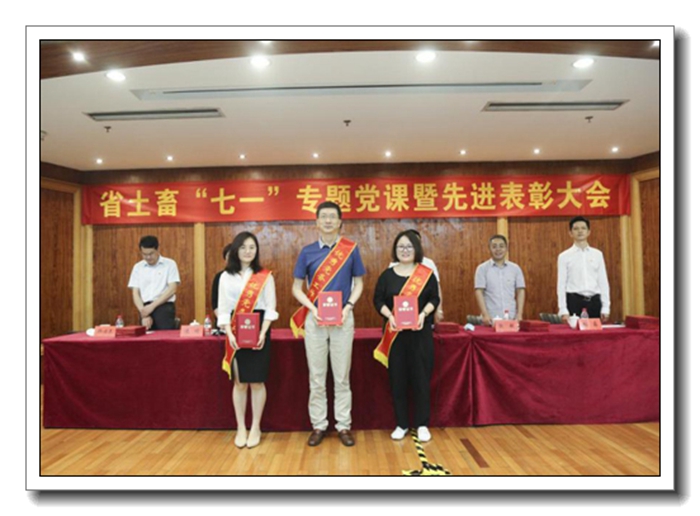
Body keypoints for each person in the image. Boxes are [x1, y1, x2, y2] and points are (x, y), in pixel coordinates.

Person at [291, 201, 365, 447]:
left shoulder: (350, 249)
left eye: (333, 216)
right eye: (324, 216)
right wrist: (313, 309)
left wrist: (348, 307)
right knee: (317, 376)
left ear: (340, 221)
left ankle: (343, 425)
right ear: (317, 222)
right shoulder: (307, 252)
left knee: (342, 376)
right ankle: (319, 425)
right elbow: (296, 288)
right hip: (315, 319)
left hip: (343, 318)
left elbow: (359, 283)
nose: (328, 220)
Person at [374, 230, 440, 442]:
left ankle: (422, 424)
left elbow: (434, 299)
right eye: (400, 247)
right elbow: (378, 300)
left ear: (416, 249)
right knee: (398, 380)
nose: (404, 250)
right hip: (395, 335)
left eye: (409, 247)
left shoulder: (426, 274)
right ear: (395, 250)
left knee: (421, 379)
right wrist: (389, 316)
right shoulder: (387, 275)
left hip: (420, 335)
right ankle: (401, 424)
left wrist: (423, 314)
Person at [218, 232, 278, 449]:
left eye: (252, 247)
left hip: (259, 328)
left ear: (257, 250)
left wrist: (263, 333)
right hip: (235, 330)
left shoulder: (265, 276)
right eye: (243, 247)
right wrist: (230, 334)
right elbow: (223, 309)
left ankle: (255, 427)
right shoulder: (225, 276)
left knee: (257, 381)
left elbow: (270, 307)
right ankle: (241, 427)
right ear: (236, 250)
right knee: (240, 382)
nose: (248, 251)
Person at [557, 216, 610, 322]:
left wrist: (605, 307)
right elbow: (561, 284)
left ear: (588, 232)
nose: (580, 231)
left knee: (595, 332)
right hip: (574, 301)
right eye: (576, 229)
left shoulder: (597, 254)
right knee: (574, 332)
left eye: (583, 228)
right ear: (570, 233)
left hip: (594, 301)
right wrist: (563, 309)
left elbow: (603, 282)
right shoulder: (564, 256)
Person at [388, 229, 445, 322]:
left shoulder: (428, 263)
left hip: (424, 312)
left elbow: (436, 289)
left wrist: (439, 309)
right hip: (399, 314)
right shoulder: (393, 266)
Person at [128, 235, 180, 330]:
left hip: (164, 308)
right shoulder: (138, 267)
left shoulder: (170, 264)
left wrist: (152, 306)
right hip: (144, 308)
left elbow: (172, 289)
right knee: (145, 338)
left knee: (164, 337)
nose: (148, 257)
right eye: (144, 254)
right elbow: (135, 293)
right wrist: (144, 313)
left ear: (157, 249)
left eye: (151, 253)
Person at [474, 235, 526, 326]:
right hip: (490, 319)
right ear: (489, 249)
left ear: (506, 248)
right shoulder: (482, 269)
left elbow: (521, 290)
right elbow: (479, 292)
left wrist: (519, 314)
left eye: (501, 246)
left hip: (511, 318)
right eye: (494, 246)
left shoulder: (515, 268)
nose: (498, 249)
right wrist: (485, 314)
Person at [211, 243, 233, 334]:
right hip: (223, 324)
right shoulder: (220, 276)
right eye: (228, 257)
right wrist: (223, 321)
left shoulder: (249, 277)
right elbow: (215, 302)